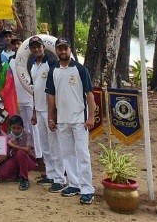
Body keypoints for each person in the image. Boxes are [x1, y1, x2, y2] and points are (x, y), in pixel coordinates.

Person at [46, 37, 96, 205]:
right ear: (56, 51)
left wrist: (91, 117)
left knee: (82, 153)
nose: (62, 51)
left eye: (65, 48)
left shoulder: (81, 70)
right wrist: (51, 117)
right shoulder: (53, 71)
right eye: (59, 49)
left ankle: (87, 189)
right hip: (62, 120)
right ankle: (74, 184)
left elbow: (89, 94)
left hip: (79, 120)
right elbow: (51, 96)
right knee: (67, 154)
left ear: (70, 49)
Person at [28, 35, 62, 189]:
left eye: (38, 46)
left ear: (43, 47)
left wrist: (53, 113)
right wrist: (34, 112)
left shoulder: (52, 63)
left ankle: (60, 178)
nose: (36, 49)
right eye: (33, 47)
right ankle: (50, 174)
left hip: (50, 110)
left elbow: (55, 90)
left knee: (54, 144)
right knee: (44, 144)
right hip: (39, 109)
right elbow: (35, 90)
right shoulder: (33, 65)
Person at [3, 115, 37, 190]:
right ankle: (17, 173)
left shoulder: (27, 134)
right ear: (10, 128)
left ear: (23, 128)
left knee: (21, 153)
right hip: (15, 159)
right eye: (13, 128)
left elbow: (27, 149)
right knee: (2, 174)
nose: (16, 131)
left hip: (28, 160)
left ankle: (24, 179)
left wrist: (13, 145)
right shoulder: (9, 136)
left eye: (19, 128)